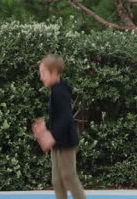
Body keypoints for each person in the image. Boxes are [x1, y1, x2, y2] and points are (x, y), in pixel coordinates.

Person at [38, 54, 86, 199]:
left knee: (68, 177)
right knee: (57, 180)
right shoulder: (56, 91)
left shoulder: (60, 91)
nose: (41, 77)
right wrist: (44, 127)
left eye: (43, 73)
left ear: (54, 73)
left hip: (65, 142)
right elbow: (57, 117)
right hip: (57, 142)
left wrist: (50, 135)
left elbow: (66, 118)